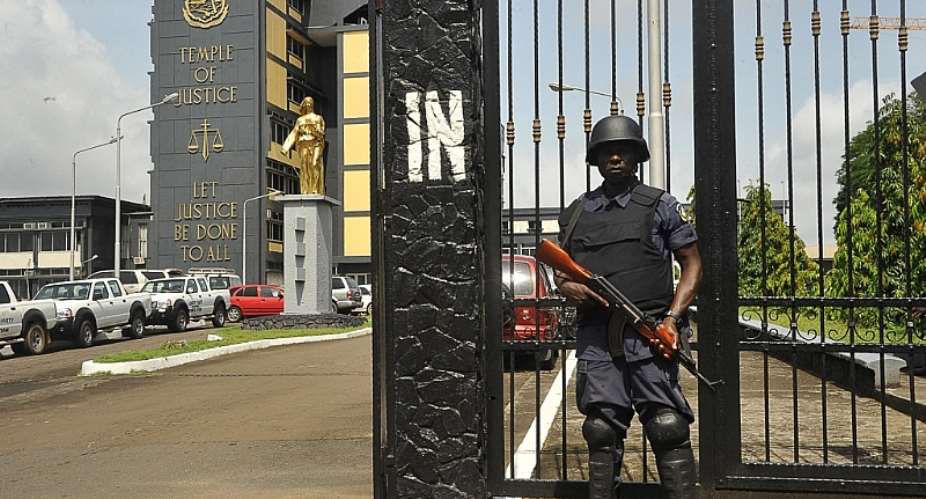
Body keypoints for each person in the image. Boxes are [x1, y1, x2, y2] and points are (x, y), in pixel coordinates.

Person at [555, 115, 702, 499]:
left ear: (637, 155)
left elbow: (693, 263)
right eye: (606, 150)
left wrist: (673, 319)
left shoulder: (660, 205)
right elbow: (560, 273)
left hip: (651, 332)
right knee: (600, 428)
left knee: (667, 426)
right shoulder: (576, 212)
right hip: (597, 337)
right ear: (595, 157)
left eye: (623, 149)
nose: (615, 156)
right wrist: (570, 288)